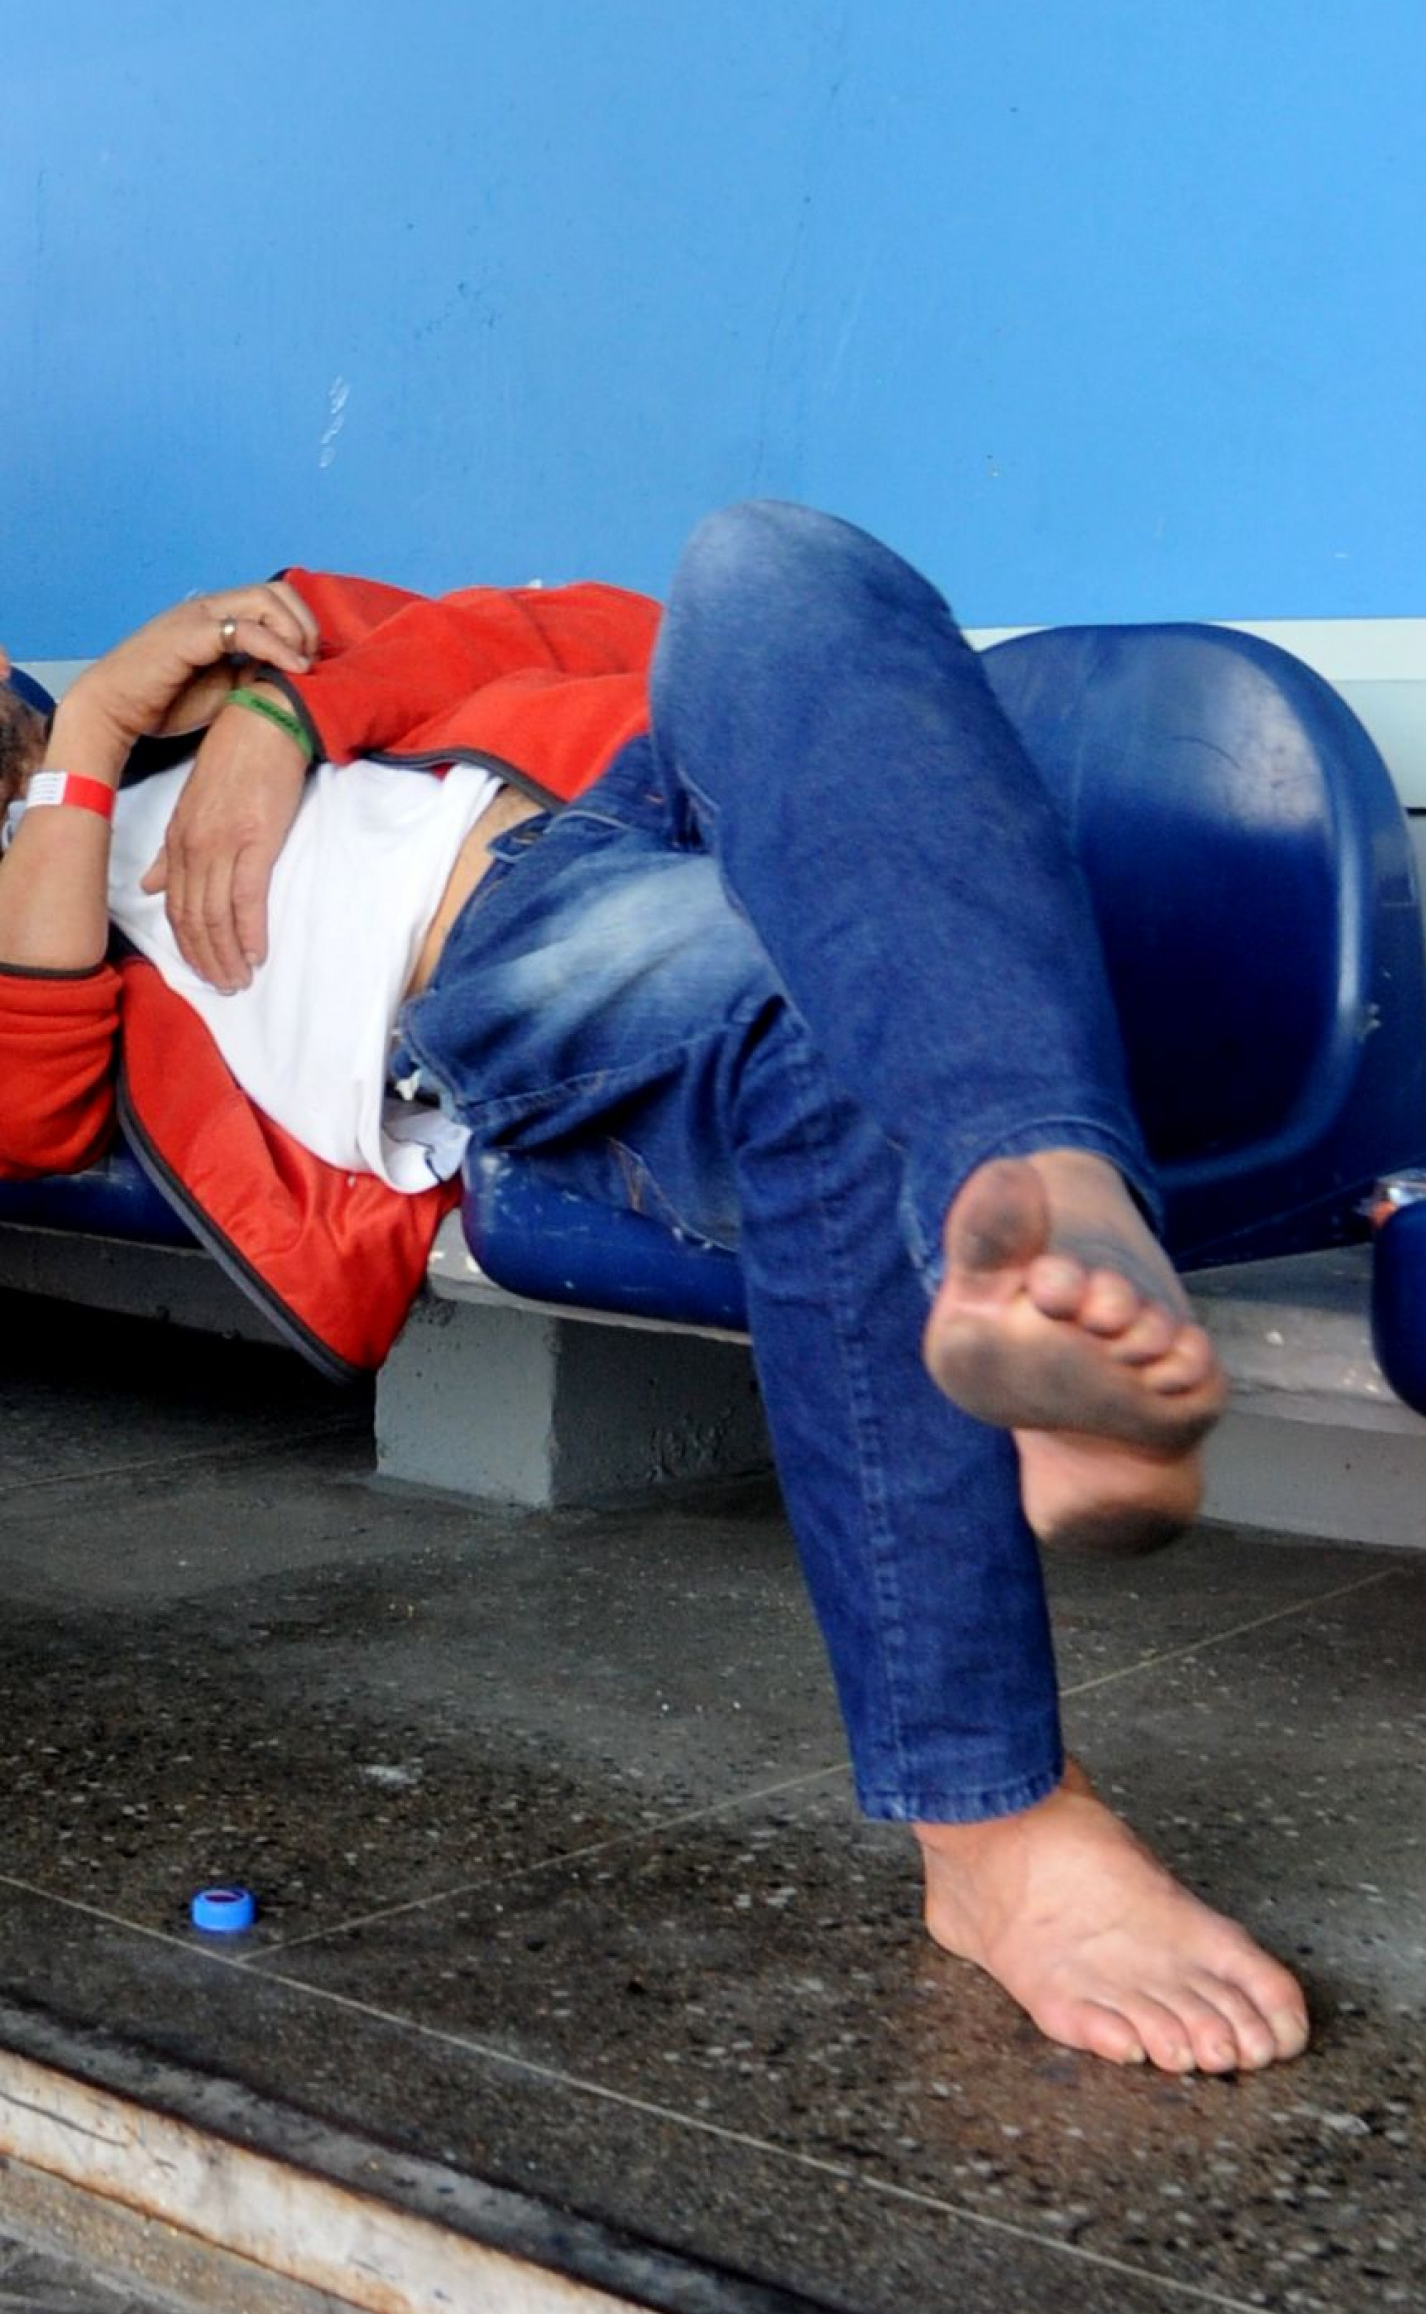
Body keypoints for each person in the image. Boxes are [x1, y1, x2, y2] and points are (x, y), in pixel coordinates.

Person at [0, 503, 1310, 2077]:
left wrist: (283, 716)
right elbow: (30, 1111)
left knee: (766, 557)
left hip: (674, 798)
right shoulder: (47, 860)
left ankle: (1042, 1196)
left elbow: (582, 631)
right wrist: (89, 742)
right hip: (514, 951)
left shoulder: (235, 654)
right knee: (812, 1028)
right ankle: (995, 1814)